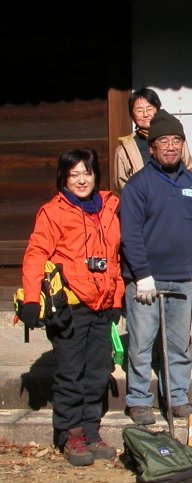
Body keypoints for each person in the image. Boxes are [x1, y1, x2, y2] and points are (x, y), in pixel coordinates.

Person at [20, 148, 123, 466]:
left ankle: (91, 432)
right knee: (71, 374)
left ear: (96, 175)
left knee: (97, 373)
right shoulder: (53, 212)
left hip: (102, 306)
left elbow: (115, 258)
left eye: (86, 173)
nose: (81, 180)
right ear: (64, 179)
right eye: (74, 174)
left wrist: (117, 298)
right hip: (70, 306)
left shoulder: (109, 207)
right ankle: (71, 435)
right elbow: (36, 254)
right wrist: (31, 298)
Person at [120, 109, 192, 425]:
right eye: (164, 141)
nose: (171, 146)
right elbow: (130, 235)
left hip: (181, 280)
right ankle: (138, 400)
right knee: (141, 344)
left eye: (176, 140)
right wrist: (142, 274)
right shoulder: (138, 185)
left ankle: (176, 399)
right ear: (152, 147)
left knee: (177, 344)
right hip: (146, 280)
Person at [113, 87, 192, 194]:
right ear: (132, 115)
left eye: (149, 108)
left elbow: (189, 168)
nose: (145, 114)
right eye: (139, 110)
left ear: (157, 110)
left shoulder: (174, 139)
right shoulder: (125, 149)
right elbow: (122, 184)